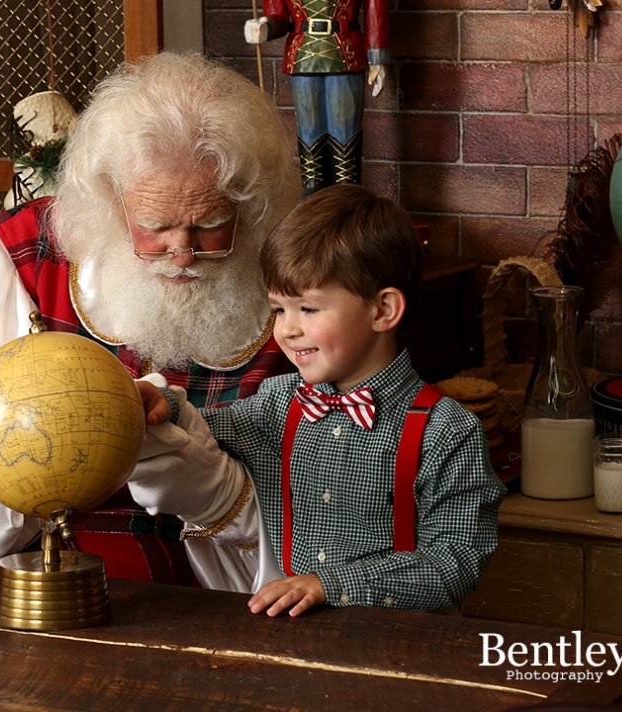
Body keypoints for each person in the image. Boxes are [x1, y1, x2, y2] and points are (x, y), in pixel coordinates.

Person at [0, 51, 301, 582]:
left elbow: (343, 499)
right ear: (110, 199)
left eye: (211, 223)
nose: (182, 251)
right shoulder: (22, 259)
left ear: (251, 203)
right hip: (38, 578)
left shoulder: (289, 270)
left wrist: (220, 492)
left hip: (228, 593)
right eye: (155, 225)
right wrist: (58, 446)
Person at [130, 184, 506, 616]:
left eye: (308, 309)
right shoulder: (278, 404)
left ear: (383, 310)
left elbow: (453, 564)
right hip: (302, 644)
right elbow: (204, 429)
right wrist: (162, 403)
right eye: (279, 310)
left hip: (401, 648)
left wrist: (333, 585)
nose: (287, 330)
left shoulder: (447, 432)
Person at [244, 0, 389, 192]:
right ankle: (314, 195)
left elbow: (375, 10)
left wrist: (378, 59)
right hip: (303, 57)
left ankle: (347, 193)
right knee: (310, 130)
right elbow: (279, 16)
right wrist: (265, 26)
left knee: (344, 129)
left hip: (345, 53)